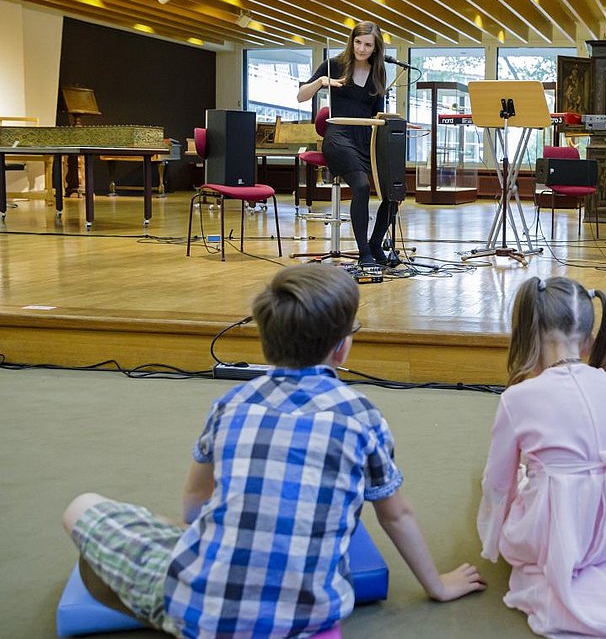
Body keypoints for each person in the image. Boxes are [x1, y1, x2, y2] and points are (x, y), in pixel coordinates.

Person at [62, 264, 484, 637]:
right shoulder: (361, 415)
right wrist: (438, 586)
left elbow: (194, 499)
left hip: (201, 612)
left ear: (266, 339)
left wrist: (198, 532)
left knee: (82, 506)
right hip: (310, 617)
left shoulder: (231, 404)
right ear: (342, 347)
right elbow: (396, 514)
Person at [477, 276, 606, 637]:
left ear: (529, 335)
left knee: (516, 480)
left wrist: (492, 533)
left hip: (558, 529)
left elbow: (497, 483)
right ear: (590, 340)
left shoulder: (518, 397)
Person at [297, 21, 394, 267]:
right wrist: (322, 82)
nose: (361, 48)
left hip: (365, 139)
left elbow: (377, 115)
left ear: (376, 48)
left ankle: (375, 243)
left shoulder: (379, 72)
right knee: (361, 186)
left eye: (368, 45)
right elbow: (300, 95)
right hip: (338, 138)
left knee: (395, 191)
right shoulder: (334, 64)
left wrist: (396, 124)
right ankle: (364, 254)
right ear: (352, 41)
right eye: (358, 42)